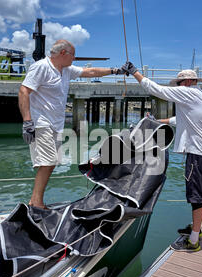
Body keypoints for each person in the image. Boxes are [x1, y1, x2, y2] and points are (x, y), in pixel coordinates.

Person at [18, 39, 126, 210]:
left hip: (56, 124)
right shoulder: (41, 67)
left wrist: (116, 70)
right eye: (73, 55)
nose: (74, 59)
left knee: (51, 162)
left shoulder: (66, 69)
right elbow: (24, 90)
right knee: (48, 161)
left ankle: (35, 200)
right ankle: (37, 202)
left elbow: (90, 72)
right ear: (63, 53)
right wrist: (27, 121)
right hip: (41, 122)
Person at [122, 62, 202, 252]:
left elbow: (157, 90)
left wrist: (135, 72)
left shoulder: (189, 92)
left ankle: (194, 240)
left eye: (179, 83)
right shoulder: (199, 96)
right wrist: (155, 121)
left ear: (188, 81)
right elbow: (177, 120)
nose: (177, 86)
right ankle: (196, 227)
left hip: (198, 153)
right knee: (199, 194)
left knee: (196, 197)